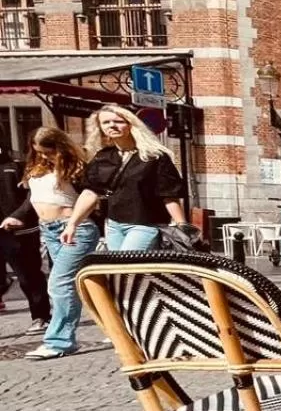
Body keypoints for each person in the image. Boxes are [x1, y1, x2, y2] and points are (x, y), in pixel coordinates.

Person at [3, 128, 98, 359]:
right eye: (40, 152)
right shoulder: (36, 168)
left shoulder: (76, 167)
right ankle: (116, 327)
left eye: (49, 152)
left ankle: (59, 341)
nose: (45, 156)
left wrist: (74, 223)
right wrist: (17, 215)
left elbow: (92, 197)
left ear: (60, 146)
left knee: (59, 284)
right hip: (50, 231)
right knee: (78, 285)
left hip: (75, 230)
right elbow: (31, 199)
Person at [67, 105, 186, 251]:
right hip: (113, 225)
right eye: (106, 122)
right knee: (119, 272)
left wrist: (182, 227)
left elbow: (169, 195)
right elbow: (90, 193)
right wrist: (72, 224)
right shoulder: (103, 156)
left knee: (129, 266)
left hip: (144, 224)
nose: (112, 125)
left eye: (118, 121)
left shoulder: (154, 156)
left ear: (131, 124)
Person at [0, 145, 50, 332]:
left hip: (17, 229)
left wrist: (19, 215)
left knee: (28, 276)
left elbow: (33, 195)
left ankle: (41, 316)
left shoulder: (16, 165)